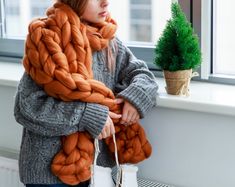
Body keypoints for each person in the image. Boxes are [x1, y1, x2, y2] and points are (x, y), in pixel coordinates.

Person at [14, 0, 158, 186]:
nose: (105, 3)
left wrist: (135, 97)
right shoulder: (46, 41)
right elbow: (27, 108)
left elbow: (142, 75)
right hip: (47, 174)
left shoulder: (109, 43)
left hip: (97, 171)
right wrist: (86, 115)